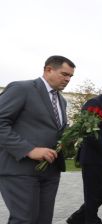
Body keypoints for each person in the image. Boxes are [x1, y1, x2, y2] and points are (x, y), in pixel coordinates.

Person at [0, 55, 75, 224]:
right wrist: (29, 150)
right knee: (25, 220)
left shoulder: (61, 101)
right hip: (20, 169)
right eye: (64, 74)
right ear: (48, 69)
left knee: (43, 220)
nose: (68, 79)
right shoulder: (22, 88)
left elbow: (56, 131)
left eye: (70, 76)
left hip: (50, 170)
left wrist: (74, 135)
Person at [67, 78, 102, 224]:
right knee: (92, 193)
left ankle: (78, 217)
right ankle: (91, 220)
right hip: (93, 157)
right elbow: (88, 131)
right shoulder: (94, 103)